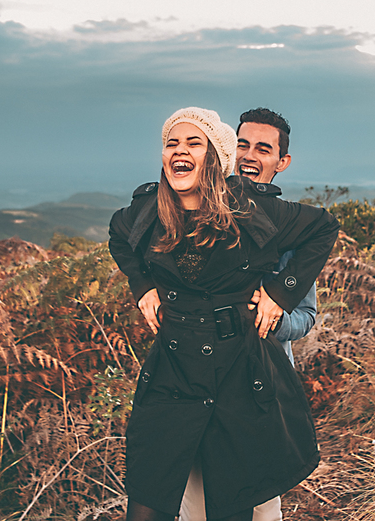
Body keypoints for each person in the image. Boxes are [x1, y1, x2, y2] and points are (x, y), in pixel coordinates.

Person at [108, 107, 340, 521]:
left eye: (193, 142)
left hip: (248, 377)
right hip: (175, 374)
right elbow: (119, 235)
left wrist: (276, 297)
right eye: (171, 143)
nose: (250, 155)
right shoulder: (153, 210)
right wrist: (142, 286)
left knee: (247, 504)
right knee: (165, 499)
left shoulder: (262, 211)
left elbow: (322, 234)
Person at [179, 108, 318, 521]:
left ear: (282, 162)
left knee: (261, 507)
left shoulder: (291, 228)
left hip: (263, 389)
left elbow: (306, 316)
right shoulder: (195, 212)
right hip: (198, 385)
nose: (250, 155)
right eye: (242, 144)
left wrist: (270, 313)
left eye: (263, 148)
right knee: (195, 505)